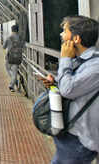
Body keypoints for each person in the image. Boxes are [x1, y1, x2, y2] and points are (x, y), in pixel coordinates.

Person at [40, 16, 99, 164]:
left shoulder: (95, 66)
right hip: (70, 132)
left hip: (80, 140)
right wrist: (54, 84)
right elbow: (72, 86)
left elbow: (68, 90)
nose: (61, 35)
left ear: (76, 38)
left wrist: (64, 58)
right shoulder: (80, 60)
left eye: (65, 31)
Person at [3, 25, 25, 92]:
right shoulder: (20, 38)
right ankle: (12, 84)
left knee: (7, 69)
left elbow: (4, 47)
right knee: (15, 72)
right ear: (17, 30)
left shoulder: (9, 37)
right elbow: (23, 46)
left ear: (12, 30)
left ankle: (14, 81)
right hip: (17, 58)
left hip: (9, 57)